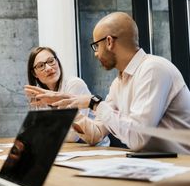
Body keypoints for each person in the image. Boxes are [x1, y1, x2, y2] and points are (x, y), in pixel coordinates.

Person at [29, 12, 190, 154]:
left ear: (109, 42)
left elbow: (137, 138)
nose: (96, 54)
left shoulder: (153, 69)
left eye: (96, 46)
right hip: (156, 166)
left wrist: (94, 103)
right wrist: (66, 106)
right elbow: (96, 134)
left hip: (182, 168)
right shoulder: (118, 83)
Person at [24, 47, 109, 145]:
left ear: (57, 61)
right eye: (41, 65)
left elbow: (73, 136)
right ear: (34, 73)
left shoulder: (75, 84)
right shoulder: (38, 94)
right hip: (66, 150)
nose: (48, 68)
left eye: (51, 61)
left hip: (94, 149)